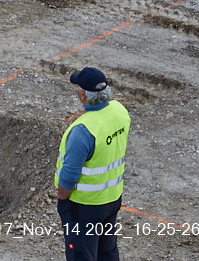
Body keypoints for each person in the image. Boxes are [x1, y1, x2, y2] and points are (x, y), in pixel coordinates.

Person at [55, 67, 131, 261]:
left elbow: (69, 176)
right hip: (112, 198)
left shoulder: (83, 130)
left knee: (81, 254)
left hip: (85, 206)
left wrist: (63, 201)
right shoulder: (119, 111)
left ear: (82, 95)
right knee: (107, 252)